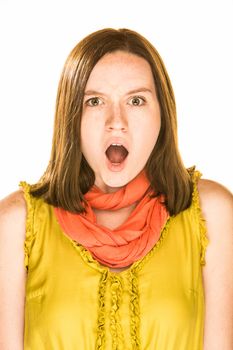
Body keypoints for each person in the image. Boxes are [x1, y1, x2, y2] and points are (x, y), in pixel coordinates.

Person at [0, 28, 232, 350]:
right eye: (94, 101)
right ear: (72, 117)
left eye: (136, 100)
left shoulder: (211, 211)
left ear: (162, 115)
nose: (116, 121)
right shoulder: (17, 223)